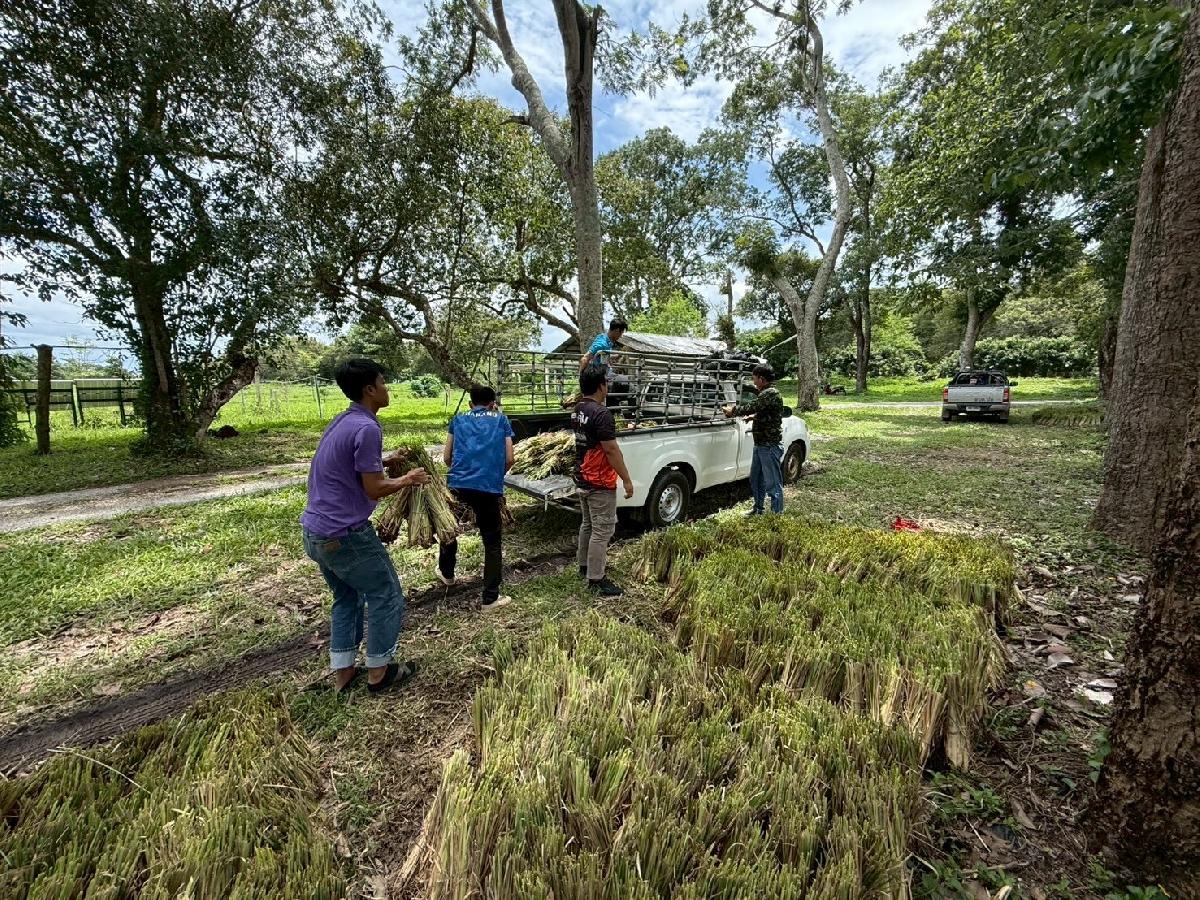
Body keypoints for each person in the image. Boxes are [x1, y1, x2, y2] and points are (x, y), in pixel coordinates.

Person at [300, 359, 430, 694]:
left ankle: (344, 673)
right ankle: (379, 673)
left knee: (347, 597)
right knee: (386, 593)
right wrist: (408, 478)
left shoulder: (344, 420)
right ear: (370, 389)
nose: (387, 388)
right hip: (345, 535)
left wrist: (385, 461)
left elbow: (345, 464)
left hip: (315, 531)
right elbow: (374, 489)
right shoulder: (368, 428)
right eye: (383, 382)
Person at [438, 384, 515, 611]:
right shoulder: (501, 420)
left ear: (470, 403)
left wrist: (463, 472)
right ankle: (490, 599)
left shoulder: (458, 419)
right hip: (488, 487)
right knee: (491, 542)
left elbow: (446, 457)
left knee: (449, 529)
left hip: (458, 484)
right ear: (493, 404)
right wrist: (494, 474)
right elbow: (510, 458)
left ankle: (447, 574)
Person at [572, 366, 635, 596]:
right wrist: (627, 480)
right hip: (598, 481)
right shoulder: (601, 414)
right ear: (601, 386)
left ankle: (584, 566)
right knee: (602, 530)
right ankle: (596, 579)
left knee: (588, 524)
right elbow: (611, 450)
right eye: (607, 382)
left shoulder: (578, 409)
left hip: (582, 475)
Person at [724, 364, 785, 515]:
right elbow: (765, 411)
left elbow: (753, 406)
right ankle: (758, 509)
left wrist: (733, 411)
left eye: (755, 378)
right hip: (761, 445)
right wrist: (754, 417)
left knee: (773, 483)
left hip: (769, 446)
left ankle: (777, 515)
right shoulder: (767, 394)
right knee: (756, 479)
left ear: (762, 379)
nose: (754, 382)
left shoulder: (770, 393)